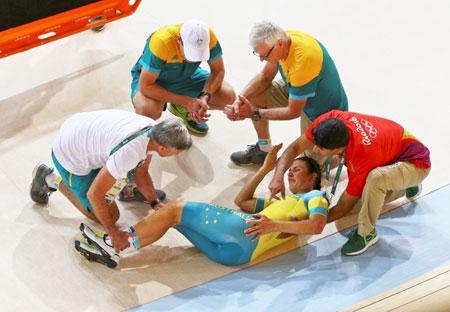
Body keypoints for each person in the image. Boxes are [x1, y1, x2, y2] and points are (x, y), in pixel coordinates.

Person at [75, 145, 329, 268]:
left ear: (313, 178)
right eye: (290, 171)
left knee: (175, 209)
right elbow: (242, 201)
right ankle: (119, 248)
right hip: (236, 254)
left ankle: (113, 243)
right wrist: (264, 169)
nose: (289, 175)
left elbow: (318, 225)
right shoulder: (284, 203)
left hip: (245, 232)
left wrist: (273, 224)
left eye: (296, 171)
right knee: (171, 215)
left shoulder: (315, 197)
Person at [269, 110, 431, 256]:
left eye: (321, 148)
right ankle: (403, 184)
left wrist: (304, 226)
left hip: (416, 164)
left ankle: (367, 234)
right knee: (361, 200)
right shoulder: (331, 119)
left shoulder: (363, 157)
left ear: (339, 149)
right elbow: (295, 147)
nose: (315, 150)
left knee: (375, 179)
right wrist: (277, 177)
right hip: (392, 153)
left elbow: (342, 208)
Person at [30, 109, 192, 251]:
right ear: (163, 148)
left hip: (79, 131)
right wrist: (114, 234)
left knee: (114, 178)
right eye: (175, 152)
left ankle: (71, 177)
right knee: (110, 215)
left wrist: (154, 203)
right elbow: (95, 194)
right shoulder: (129, 153)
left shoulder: (151, 129)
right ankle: (51, 179)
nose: (176, 155)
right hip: (69, 156)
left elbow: (141, 173)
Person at [224, 21, 348, 166]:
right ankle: (263, 150)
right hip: (299, 89)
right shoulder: (282, 39)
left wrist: (254, 113)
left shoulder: (303, 61)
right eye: (258, 54)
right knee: (254, 97)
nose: (261, 59)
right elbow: (264, 77)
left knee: (310, 167)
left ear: (280, 44)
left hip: (322, 110)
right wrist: (240, 100)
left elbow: (293, 111)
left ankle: (338, 155)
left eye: (264, 55)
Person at [131, 19, 235, 136]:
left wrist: (204, 97)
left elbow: (218, 71)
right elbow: (146, 86)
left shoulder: (208, 36)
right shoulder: (161, 42)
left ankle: (181, 108)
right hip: (154, 81)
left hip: (186, 75)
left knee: (227, 96)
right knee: (147, 109)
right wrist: (188, 101)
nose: (193, 58)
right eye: (190, 52)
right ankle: (145, 137)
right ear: (179, 40)